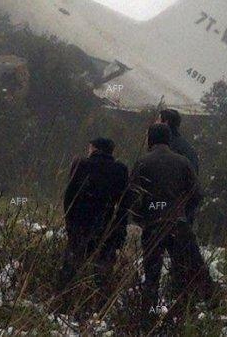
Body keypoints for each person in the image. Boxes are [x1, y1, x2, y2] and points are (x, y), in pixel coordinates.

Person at [130, 124, 214, 315]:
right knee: (187, 269)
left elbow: (133, 196)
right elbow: (197, 194)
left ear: (151, 139)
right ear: (168, 139)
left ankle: (148, 315)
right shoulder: (183, 162)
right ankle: (189, 311)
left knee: (152, 275)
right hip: (178, 224)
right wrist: (183, 211)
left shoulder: (142, 162)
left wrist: (142, 218)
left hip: (152, 226)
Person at [58, 137, 130, 293]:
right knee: (102, 271)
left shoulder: (81, 165)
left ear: (95, 149)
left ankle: (64, 298)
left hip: (80, 224)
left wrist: (70, 223)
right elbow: (125, 204)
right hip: (107, 227)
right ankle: (98, 303)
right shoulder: (120, 170)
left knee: (71, 266)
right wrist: (119, 230)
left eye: (89, 148)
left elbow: (69, 198)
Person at [158, 108, 199, 174]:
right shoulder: (187, 147)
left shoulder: (168, 147)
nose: (154, 123)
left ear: (165, 122)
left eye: (158, 120)